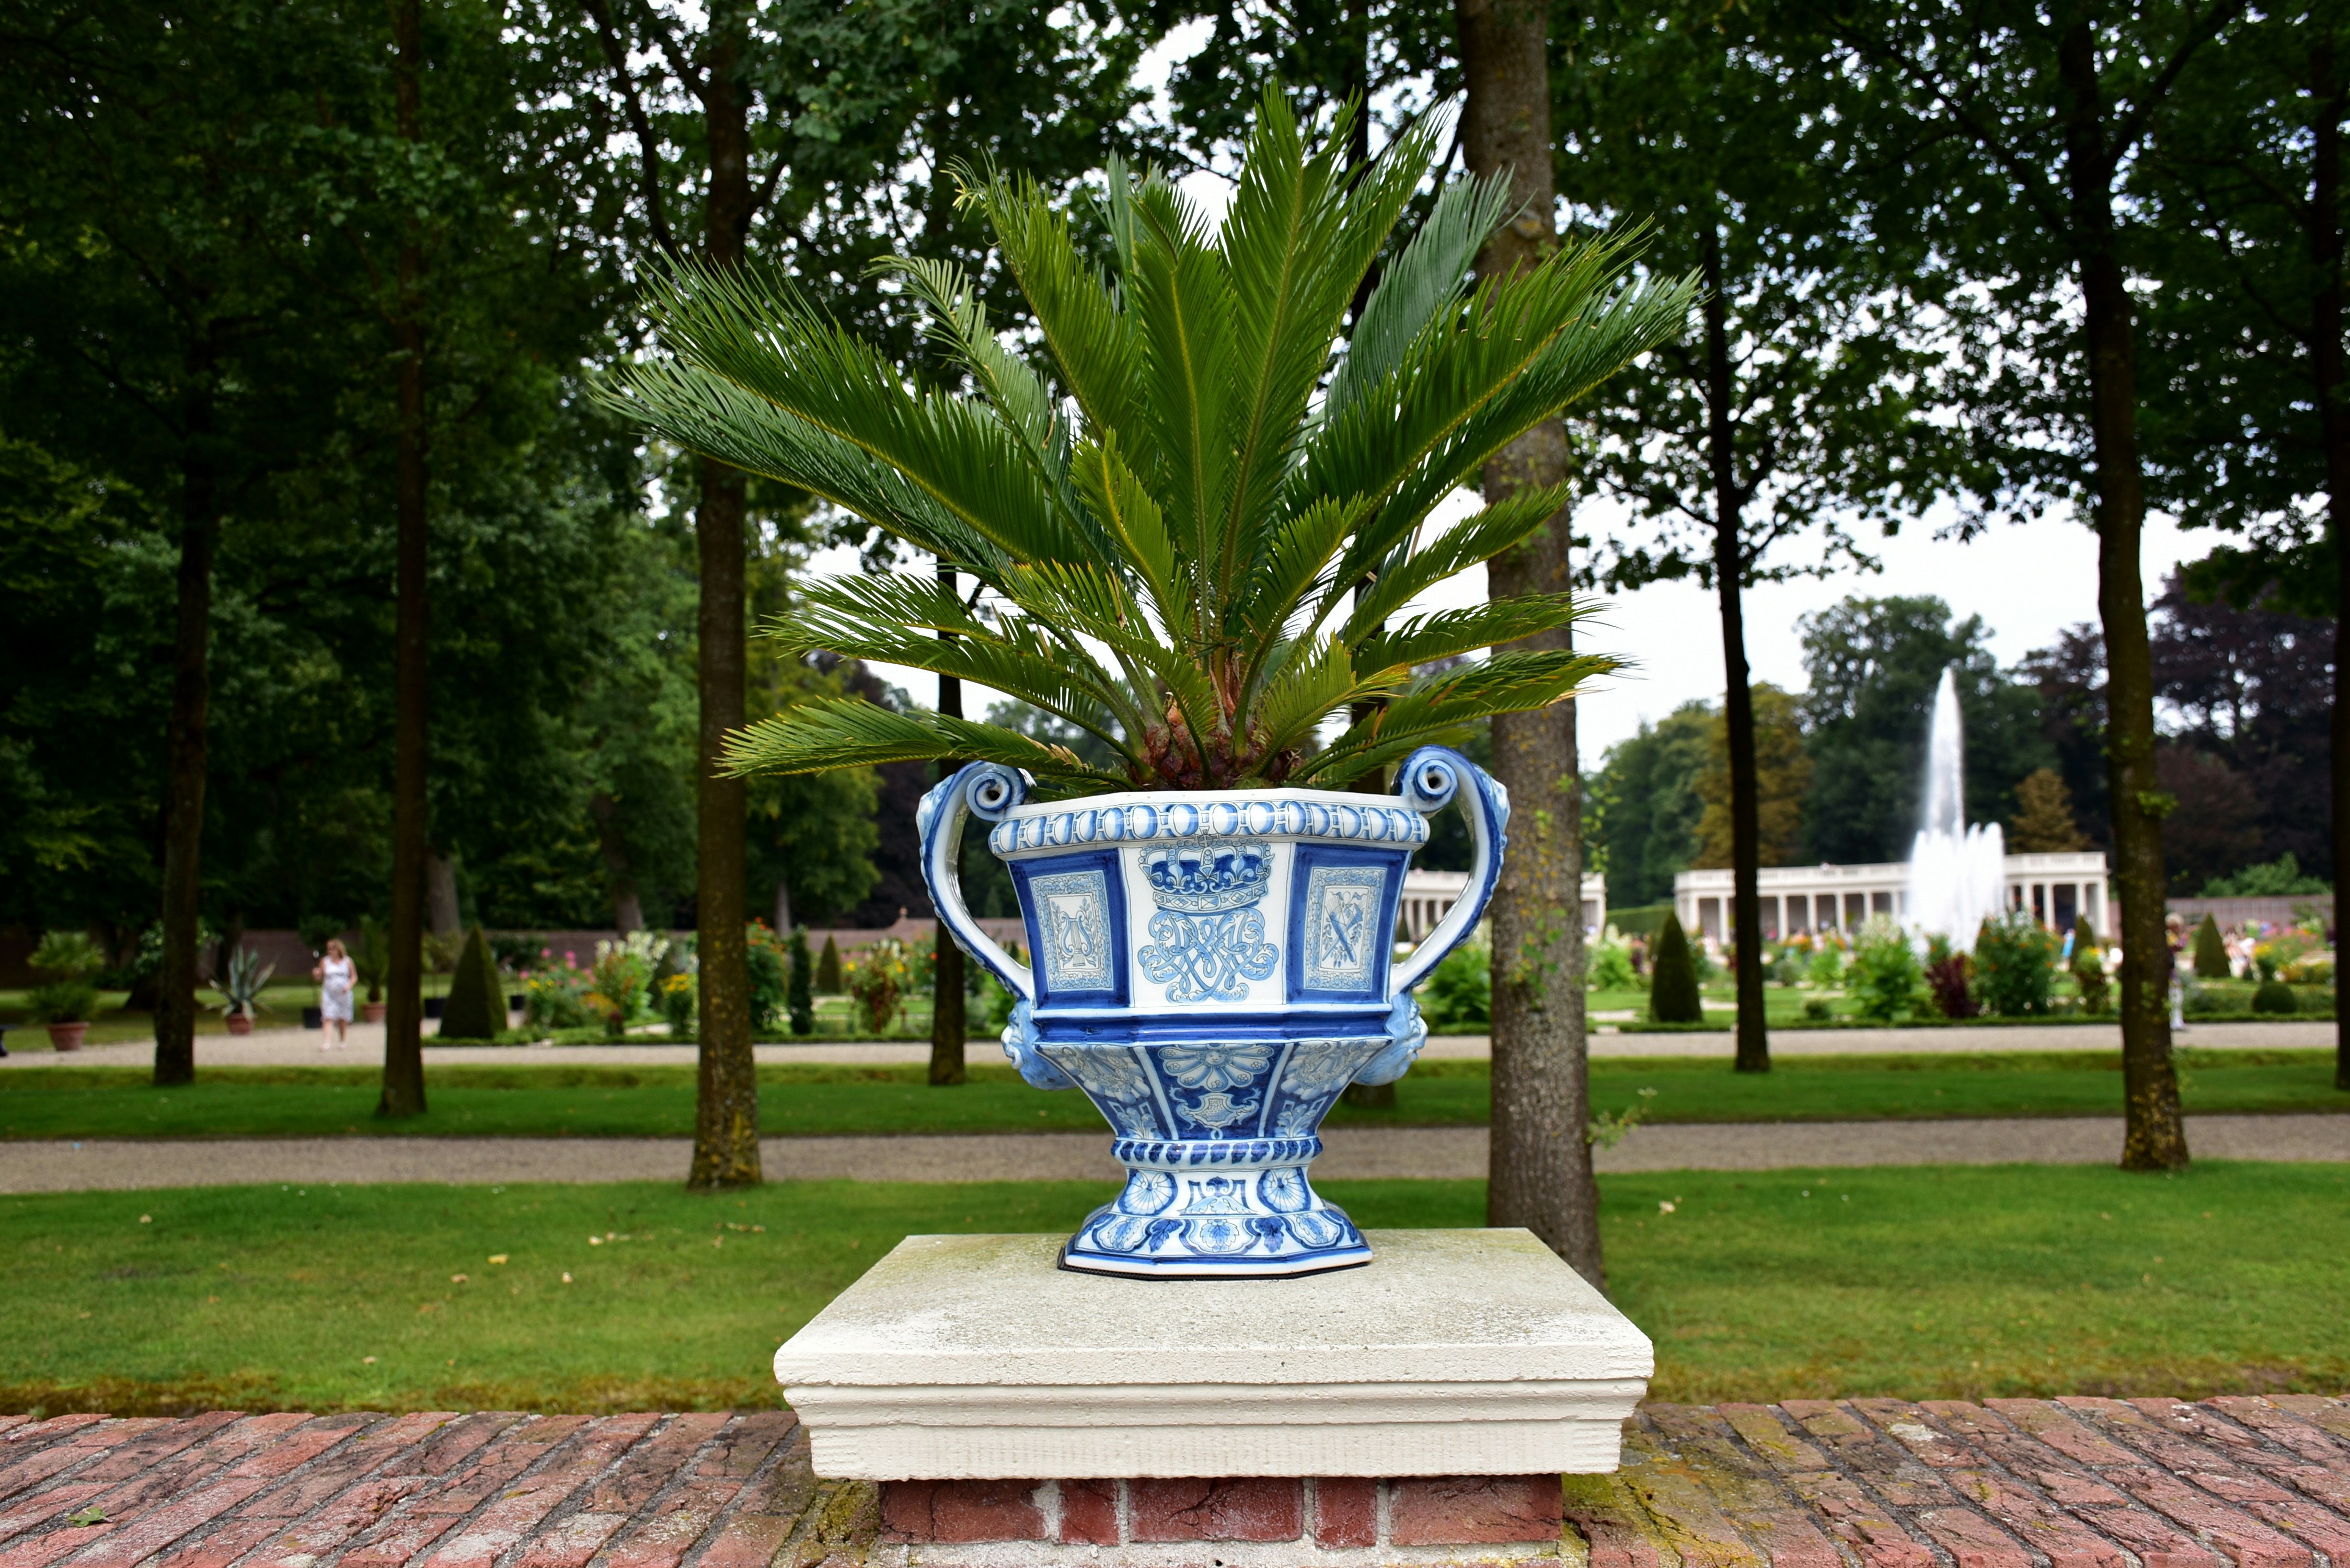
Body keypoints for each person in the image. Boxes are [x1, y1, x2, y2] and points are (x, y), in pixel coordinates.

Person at [314, 938, 356, 1050]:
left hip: (344, 994)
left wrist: (348, 986)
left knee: (343, 1018)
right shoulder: (325, 961)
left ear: (339, 949)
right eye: (328, 949)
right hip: (329, 993)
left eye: (332, 949)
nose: (330, 951)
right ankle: (327, 1043)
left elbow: (353, 977)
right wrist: (317, 974)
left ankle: (342, 1041)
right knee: (328, 1016)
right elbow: (320, 976)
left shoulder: (347, 961)